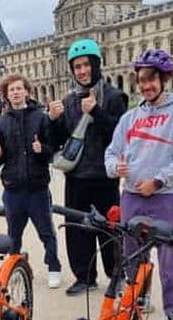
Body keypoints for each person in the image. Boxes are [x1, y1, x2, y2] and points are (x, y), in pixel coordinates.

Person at [104, 49, 173, 320]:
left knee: (171, 258)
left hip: (165, 197)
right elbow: (110, 152)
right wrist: (114, 167)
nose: (146, 86)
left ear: (164, 79)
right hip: (131, 196)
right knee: (133, 255)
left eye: (152, 80)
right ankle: (139, 302)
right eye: (142, 80)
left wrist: (158, 181)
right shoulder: (130, 117)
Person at [48, 38, 127, 295]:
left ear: (96, 64)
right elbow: (58, 140)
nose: (82, 71)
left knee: (109, 229)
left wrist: (96, 112)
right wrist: (52, 120)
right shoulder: (69, 101)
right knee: (78, 230)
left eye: (86, 65)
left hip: (105, 177)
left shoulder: (115, 97)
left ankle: (116, 275)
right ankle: (84, 277)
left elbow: (120, 135)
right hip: (77, 177)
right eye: (77, 67)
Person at [0, 73, 62, 289]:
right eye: (11, 90)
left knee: (46, 232)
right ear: (6, 95)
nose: (16, 92)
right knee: (13, 235)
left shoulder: (41, 118)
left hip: (38, 188)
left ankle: (53, 267)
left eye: (19, 88)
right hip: (13, 190)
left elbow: (52, 151)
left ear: (27, 92)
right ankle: (13, 266)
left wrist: (42, 150)